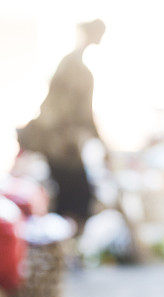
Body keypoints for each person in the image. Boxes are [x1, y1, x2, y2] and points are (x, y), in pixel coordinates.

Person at [17, 19, 106, 231]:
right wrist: (100, 142)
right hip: (60, 145)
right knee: (76, 197)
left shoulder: (73, 64)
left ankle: (63, 247)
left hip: (59, 143)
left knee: (71, 195)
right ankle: (62, 246)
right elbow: (80, 113)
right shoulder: (76, 68)